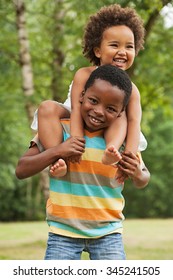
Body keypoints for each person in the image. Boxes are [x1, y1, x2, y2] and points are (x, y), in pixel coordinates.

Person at [16, 65, 150, 260]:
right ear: (81, 96)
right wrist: (58, 151)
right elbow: (21, 169)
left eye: (111, 108)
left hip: (108, 233)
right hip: (63, 233)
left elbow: (144, 177)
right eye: (93, 101)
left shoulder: (120, 142)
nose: (98, 111)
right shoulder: (59, 130)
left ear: (121, 112)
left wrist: (138, 173)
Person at [31, 4, 146, 179]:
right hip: (76, 112)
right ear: (98, 50)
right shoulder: (84, 75)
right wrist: (76, 141)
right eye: (114, 45)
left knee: (120, 114)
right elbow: (76, 108)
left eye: (129, 47)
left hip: (109, 121)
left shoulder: (131, 89)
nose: (122, 52)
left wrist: (129, 159)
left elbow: (134, 121)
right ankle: (58, 162)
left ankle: (111, 150)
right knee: (47, 107)